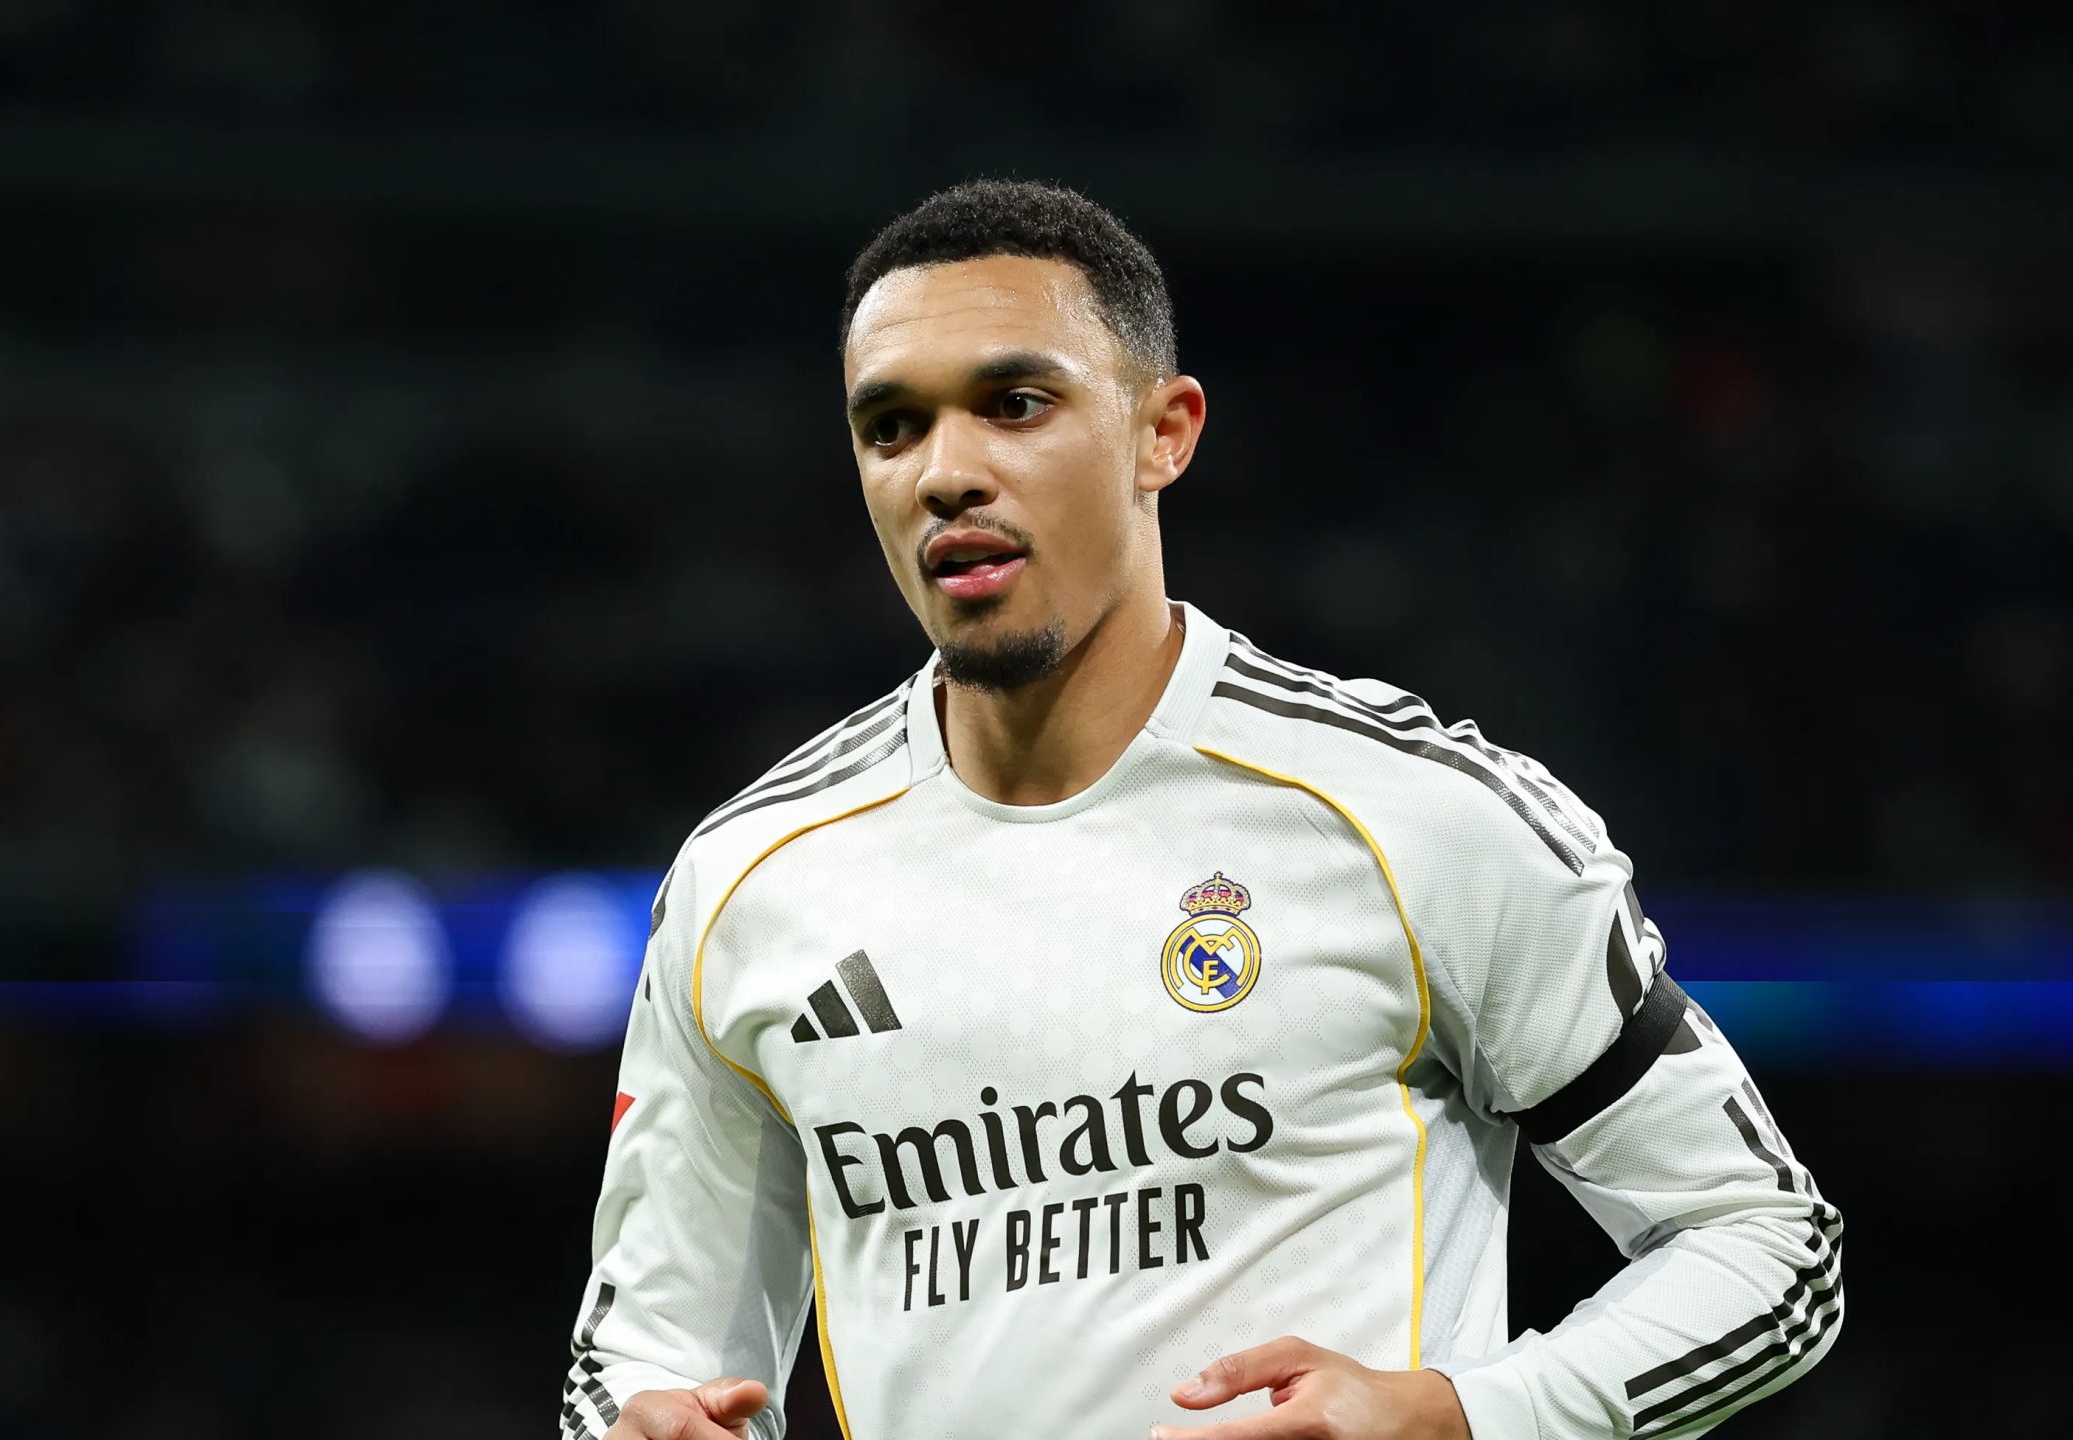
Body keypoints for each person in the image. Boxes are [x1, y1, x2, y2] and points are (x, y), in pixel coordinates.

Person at [559, 180, 1840, 1440]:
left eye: (1014, 405)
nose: (945, 472)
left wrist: (1459, 1415)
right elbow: (640, 1356)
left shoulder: (1417, 819)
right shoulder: (750, 881)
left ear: (1161, 433)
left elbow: (1765, 1244)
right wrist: (640, 1422)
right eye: (891, 427)